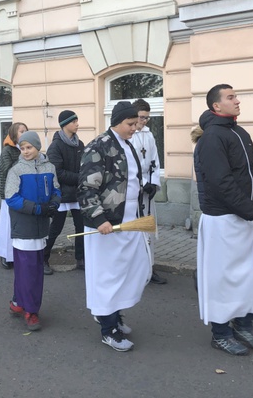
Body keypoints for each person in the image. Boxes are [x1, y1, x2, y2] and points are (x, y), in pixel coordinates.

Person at [192, 84, 253, 356]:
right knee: (222, 280)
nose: (237, 100)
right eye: (231, 97)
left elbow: (248, 174)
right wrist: (252, 212)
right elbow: (220, 183)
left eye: (235, 96)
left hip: (244, 218)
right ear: (216, 106)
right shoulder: (212, 139)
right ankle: (221, 333)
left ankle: (243, 325)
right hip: (223, 220)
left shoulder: (239, 132)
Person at [78, 101, 152, 352]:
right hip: (108, 222)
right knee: (107, 276)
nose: (135, 128)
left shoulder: (127, 144)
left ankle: (113, 316)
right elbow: (87, 187)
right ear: (117, 122)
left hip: (130, 218)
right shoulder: (98, 146)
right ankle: (108, 329)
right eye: (130, 124)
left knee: (128, 271)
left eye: (136, 123)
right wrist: (99, 219)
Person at [5, 131, 61, 331]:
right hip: (24, 227)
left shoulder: (49, 167)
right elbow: (11, 198)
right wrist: (37, 208)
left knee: (33, 269)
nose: (26, 151)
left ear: (38, 147)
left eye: (29, 147)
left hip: (41, 228)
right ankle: (31, 311)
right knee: (28, 271)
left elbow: (56, 189)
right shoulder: (16, 170)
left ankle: (19, 303)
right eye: (22, 148)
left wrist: (55, 203)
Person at [43, 110, 85, 274]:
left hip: (77, 193)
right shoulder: (56, 146)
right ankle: (43, 259)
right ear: (65, 124)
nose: (77, 124)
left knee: (81, 226)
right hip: (61, 193)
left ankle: (80, 259)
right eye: (74, 121)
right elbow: (57, 172)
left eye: (77, 121)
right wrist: (79, 178)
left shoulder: (80, 144)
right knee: (56, 228)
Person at [130, 99, 166, 285]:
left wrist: (153, 184)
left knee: (149, 227)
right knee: (136, 228)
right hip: (134, 188)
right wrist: (141, 183)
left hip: (147, 189)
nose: (144, 121)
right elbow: (129, 165)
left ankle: (150, 267)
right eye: (142, 117)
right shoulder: (128, 135)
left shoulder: (148, 136)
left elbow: (155, 161)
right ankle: (136, 269)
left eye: (147, 118)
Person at [0, 122, 28, 268]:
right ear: (14, 134)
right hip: (10, 194)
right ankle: (5, 255)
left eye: (26, 130)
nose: (25, 133)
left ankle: (18, 254)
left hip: (24, 193)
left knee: (20, 225)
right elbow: (8, 171)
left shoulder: (27, 149)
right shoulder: (7, 151)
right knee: (8, 225)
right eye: (22, 131)